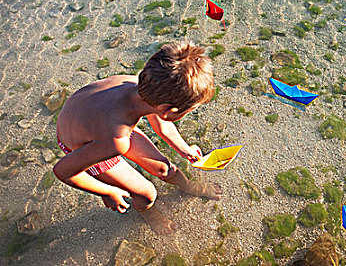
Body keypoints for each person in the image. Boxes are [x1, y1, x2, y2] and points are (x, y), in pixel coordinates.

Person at [53, 42, 221, 235]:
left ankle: (189, 186)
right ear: (169, 111)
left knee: (163, 168)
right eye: (190, 111)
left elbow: (161, 122)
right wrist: (107, 191)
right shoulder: (116, 141)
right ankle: (148, 212)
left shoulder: (136, 84)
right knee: (146, 192)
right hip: (85, 144)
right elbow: (63, 171)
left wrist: (184, 149)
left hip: (98, 124)